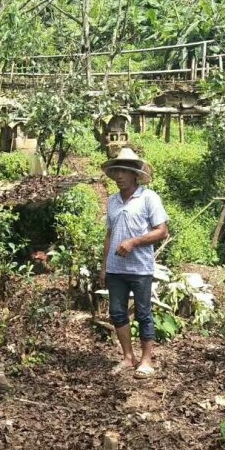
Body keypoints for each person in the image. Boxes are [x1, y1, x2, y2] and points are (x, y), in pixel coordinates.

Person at [100, 147, 169, 378]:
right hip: (115, 269)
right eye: (117, 171)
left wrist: (134, 242)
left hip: (140, 268)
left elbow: (162, 231)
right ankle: (128, 358)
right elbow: (109, 234)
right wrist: (104, 266)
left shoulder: (149, 198)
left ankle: (146, 360)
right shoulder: (112, 201)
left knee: (143, 313)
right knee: (117, 312)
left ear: (135, 174)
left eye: (125, 171)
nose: (119, 176)